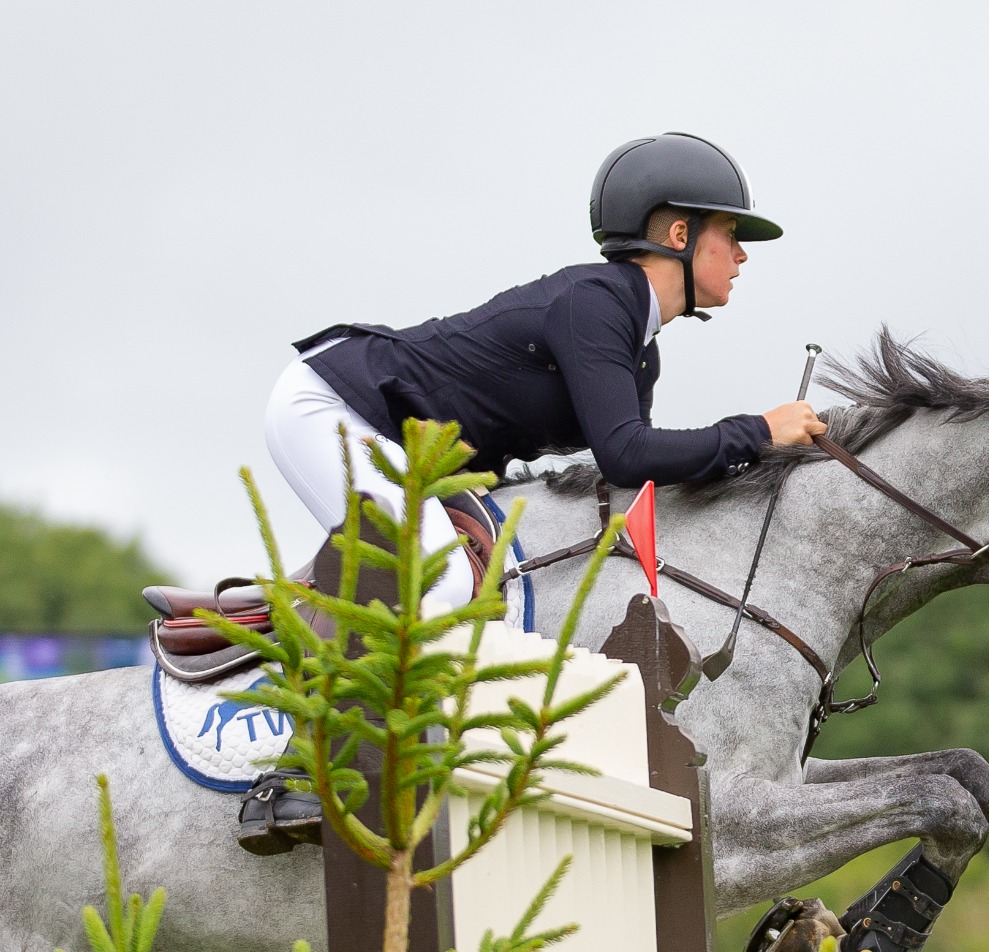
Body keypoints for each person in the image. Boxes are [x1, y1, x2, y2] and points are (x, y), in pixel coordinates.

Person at [239, 133, 826, 854]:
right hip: (333, 406)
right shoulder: (596, 303)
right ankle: (292, 775)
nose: (740, 255)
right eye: (730, 234)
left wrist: (758, 457)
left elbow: (630, 474)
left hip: (415, 450)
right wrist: (757, 430)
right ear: (679, 234)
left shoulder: (638, 346)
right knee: (439, 575)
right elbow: (627, 451)